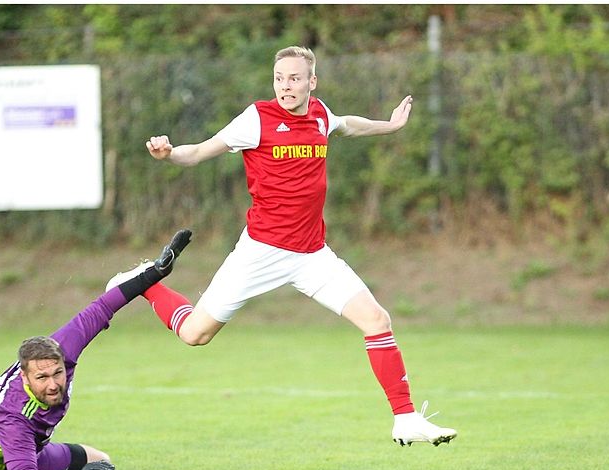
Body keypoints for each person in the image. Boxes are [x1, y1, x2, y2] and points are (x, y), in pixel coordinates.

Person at [137, 45, 457, 447]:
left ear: (311, 82)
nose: (285, 86)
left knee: (378, 321)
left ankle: (405, 419)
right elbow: (199, 151)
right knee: (195, 335)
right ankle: (146, 282)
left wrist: (389, 126)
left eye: (294, 78)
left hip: (313, 256)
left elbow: (348, 125)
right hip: (260, 252)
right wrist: (169, 154)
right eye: (279, 78)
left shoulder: (320, 114)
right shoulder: (257, 118)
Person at [0, 229, 193, 470]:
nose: (52, 384)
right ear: (24, 377)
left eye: (57, 373)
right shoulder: (16, 417)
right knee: (86, 465)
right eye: (42, 377)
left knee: (102, 460)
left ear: (64, 360)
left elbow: (105, 304)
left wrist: (156, 271)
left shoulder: (63, 345)